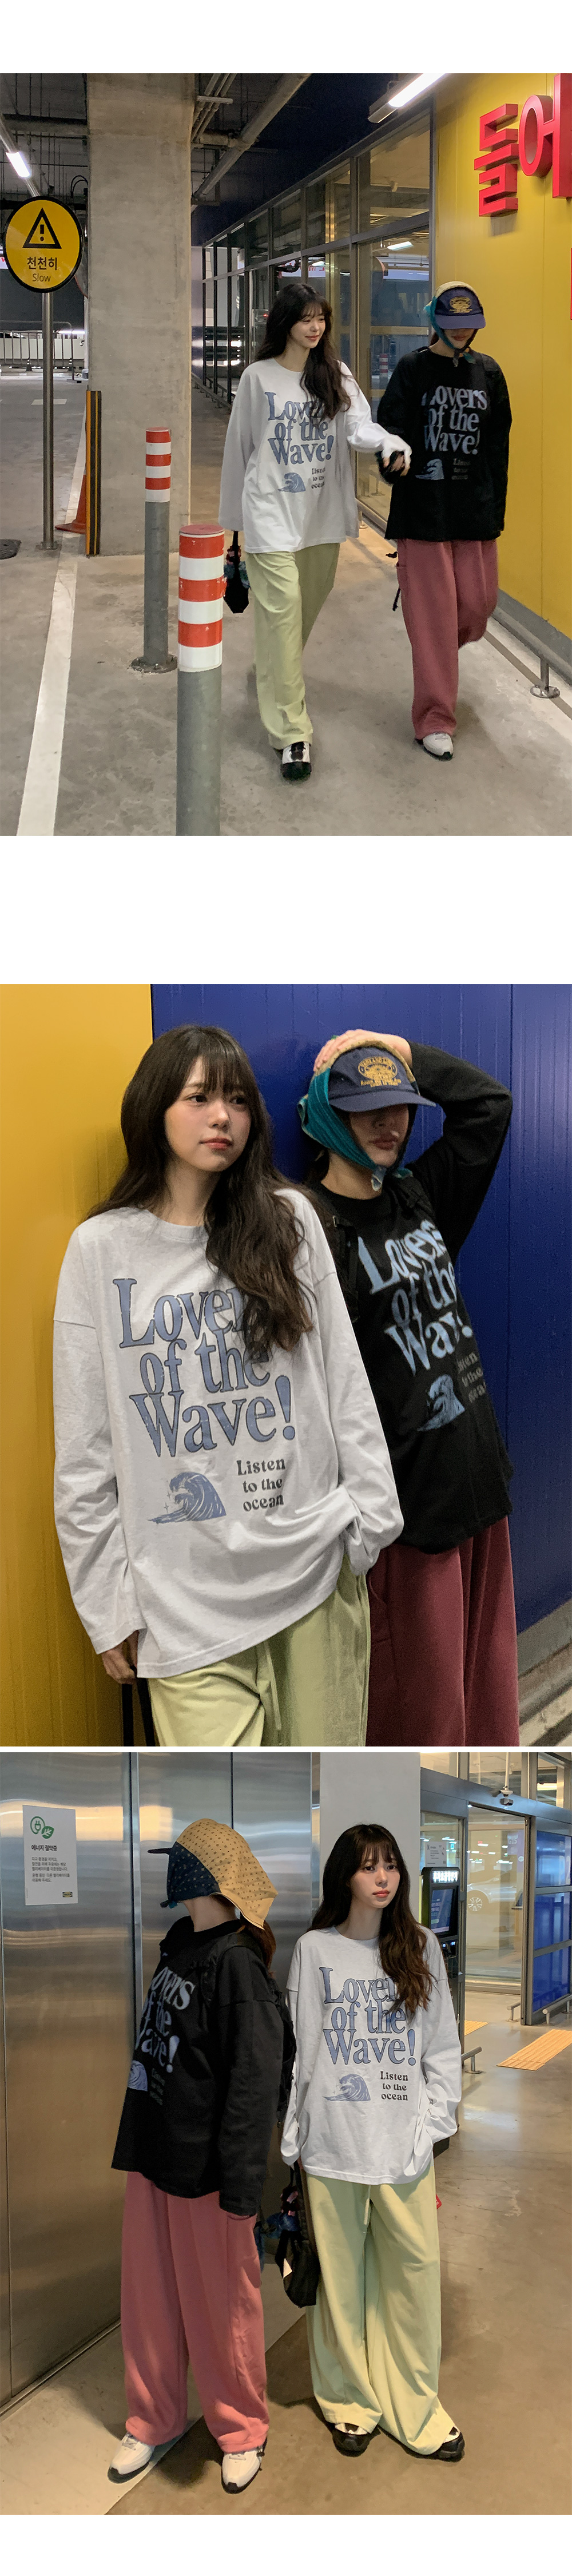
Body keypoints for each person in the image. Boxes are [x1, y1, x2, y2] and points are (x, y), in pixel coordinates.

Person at [53, 1023, 403, 1749]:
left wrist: (369, 1523)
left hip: (312, 1574)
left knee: (325, 1795)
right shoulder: (100, 1251)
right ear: (153, 1108)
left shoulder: (289, 1221)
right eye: (200, 1097)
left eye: (238, 1100)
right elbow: (84, 1448)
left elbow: (342, 1376)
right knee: (225, 1811)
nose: (223, 1117)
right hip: (183, 1606)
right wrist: (106, 1603)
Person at [297, 1024, 519, 1748]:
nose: (389, 1123)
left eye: (399, 1106)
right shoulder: (312, 1230)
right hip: (409, 1514)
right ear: (326, 1113)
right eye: (366, 1108)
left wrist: (398, 1050)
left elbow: (488, 1107)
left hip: (477, 1482)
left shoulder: (420, 1195)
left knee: (489, 1708)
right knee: (425, 1722)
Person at [110, 1817, 295, 2495]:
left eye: (179, 1860)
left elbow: (254, 2080)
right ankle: (153, 2418)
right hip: (154, 2153)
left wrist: (243, 2187)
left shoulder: (237, 1962)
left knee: (223, 2307)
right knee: (150, 2301)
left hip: (208, 2172)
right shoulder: (180, 1942)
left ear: (204, 1874)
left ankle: (241, 2426)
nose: (171, 1871)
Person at [281, 1822, 463, 2462]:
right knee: (339, 2288)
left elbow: (441, 2046)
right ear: (345, 1876)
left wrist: (433, 2126)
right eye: (368, 1866)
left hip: (401, 2148)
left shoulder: (419, 1946)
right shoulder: (314, 1950)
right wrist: (294, 2141)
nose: (382, 1877)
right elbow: (302, 2053)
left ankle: (416, 2406)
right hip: (332, 2147)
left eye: (390, 1864)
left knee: (414, 2280)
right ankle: (349, 2403)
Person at [219, 279, 411, 781]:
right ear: (285, 323)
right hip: (269, 512)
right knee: (283, 611)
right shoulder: (258, 378)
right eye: (306, 318)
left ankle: (272, 671)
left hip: (319, 514)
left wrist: (388, 442)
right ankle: (292, 734)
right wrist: (234, 526)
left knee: (301, 610)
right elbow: (241, 449)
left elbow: (357, 426)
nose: (315, 326)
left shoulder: (334, 374)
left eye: (321, 317)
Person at [375, 281, 511, 760]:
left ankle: (435, 647)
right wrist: (392, 459)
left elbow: (498, 447)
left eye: (469, 325)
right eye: (453, 325)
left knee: (477, 606)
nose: (462, 333)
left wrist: (496, 512)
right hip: (423, 513)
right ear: (435, 320)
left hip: (473, 511)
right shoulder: (413, 369)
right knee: (435, 619)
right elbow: (391, 429)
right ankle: (434, 717)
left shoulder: (489, 372)